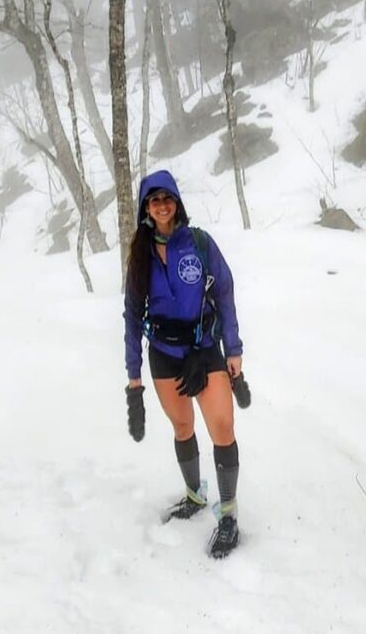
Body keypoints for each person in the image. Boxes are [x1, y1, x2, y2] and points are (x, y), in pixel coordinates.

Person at [123, 169, 245, 559]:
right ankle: (194, 495)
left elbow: (224, 292)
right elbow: (130, 315)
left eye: (167, 198)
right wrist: (133, 375)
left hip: (204, 349)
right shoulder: (140, 255)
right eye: (153, 199)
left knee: (222, 426)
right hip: (163, 354)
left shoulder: (199, 244)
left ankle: (228, 515)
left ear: (177, 202)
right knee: (182, 426)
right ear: (146, 208)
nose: (161, 205)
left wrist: (233, 349)